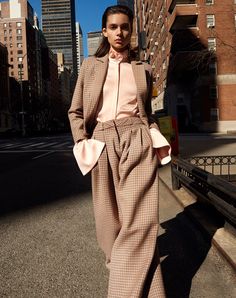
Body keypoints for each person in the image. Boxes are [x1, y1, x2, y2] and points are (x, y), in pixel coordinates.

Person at [68, 5, 171, 297]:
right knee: (108, 225)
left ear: (131, 30)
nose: (120, 33)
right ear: (104, 31)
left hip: (136, 138)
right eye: (113, 27)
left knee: (139, 222)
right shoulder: (90, 65)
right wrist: (81, 142)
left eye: (125, 27)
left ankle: (120, 292)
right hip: (101, 143)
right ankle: (150, 291)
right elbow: (75, 111)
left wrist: (154, 136)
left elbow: (146, 113)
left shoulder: (144, 69)